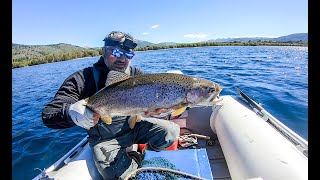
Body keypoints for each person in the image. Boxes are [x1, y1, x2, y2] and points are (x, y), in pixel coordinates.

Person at [42, 31, 180, 180]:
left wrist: (154, 111)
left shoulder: (137, 74)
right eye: (116, 52)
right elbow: (49, 114)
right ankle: (134, 159)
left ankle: (144, 153)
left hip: (133, 128)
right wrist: (70, 112)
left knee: (171, 131)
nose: (122, 58)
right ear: (103, 51)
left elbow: (150, 103)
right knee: (120, 175)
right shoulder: (83, 79)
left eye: (128, 55)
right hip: (106, 140)